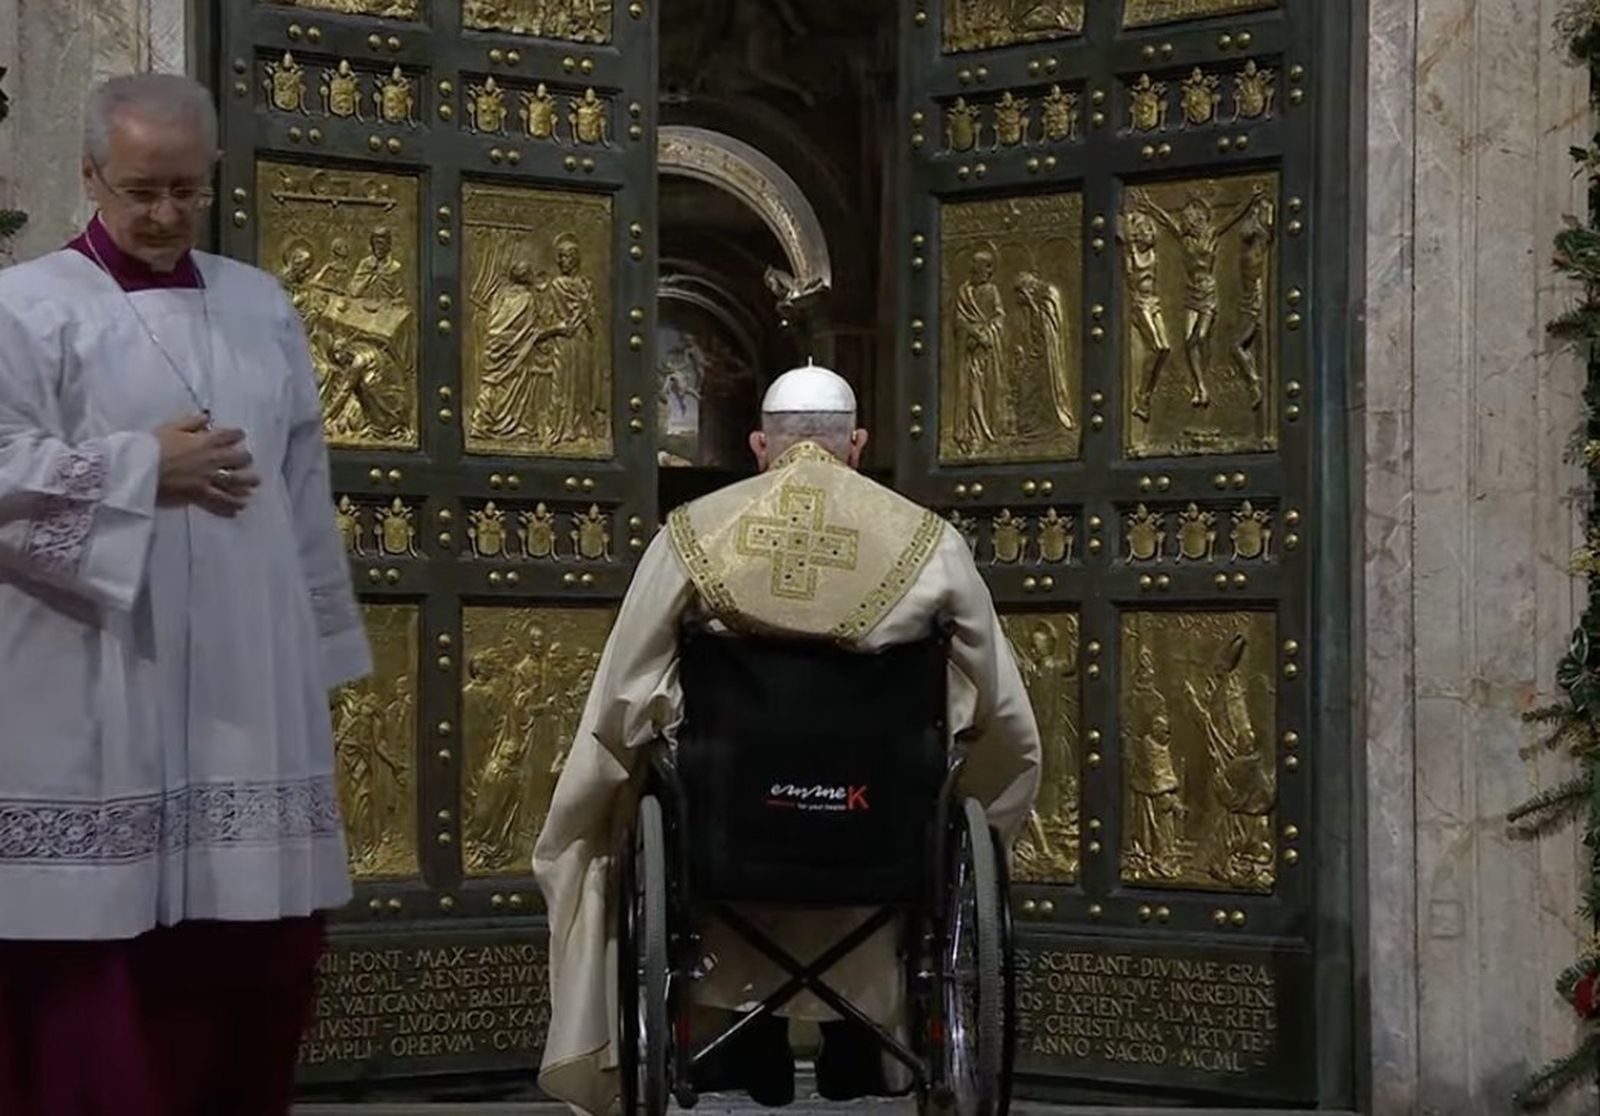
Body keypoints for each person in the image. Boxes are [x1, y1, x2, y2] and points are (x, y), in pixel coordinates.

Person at [0, 74, 369, 1115]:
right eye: (139, 191)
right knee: (104, 986)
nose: (164, 215)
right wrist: (134, 468)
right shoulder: (24, 310)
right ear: (88, 176)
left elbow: (301, 490)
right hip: (92, 677)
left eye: (185, 191)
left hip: (245, 687)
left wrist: (317, 657)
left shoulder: (260, 305)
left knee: (239, 967)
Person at [533, 361, 1040, 1114]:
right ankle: (864, 1046)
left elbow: (625, 697)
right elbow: (1002, 714)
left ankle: (744, 1041)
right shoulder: (928, 545)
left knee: (659, 787)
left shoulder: (695, 537)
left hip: (729, 837)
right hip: (882, 838)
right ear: (857, 445)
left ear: (759, 446)